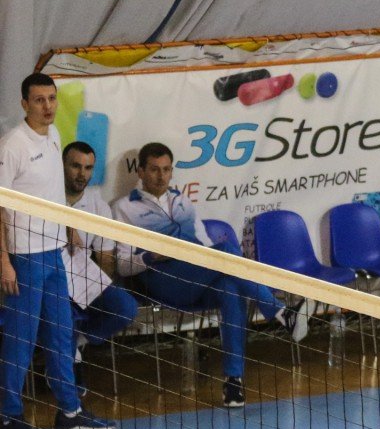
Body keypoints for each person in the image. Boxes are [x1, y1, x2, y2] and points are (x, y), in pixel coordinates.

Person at [113, 142, 309, 408]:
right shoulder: (123, 208)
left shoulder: (183, 201)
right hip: (161, 281)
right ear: (140, 171)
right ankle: (279, 311)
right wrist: (151, 256)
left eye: (167, 170)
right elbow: (122, 266)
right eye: (154, 169)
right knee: (226, 251)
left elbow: (205, 244)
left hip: (196, 273)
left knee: (230, 286)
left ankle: (233, 383)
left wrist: (211, 258)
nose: (161, 176)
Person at [0, 72, 114, 429]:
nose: (47, 106)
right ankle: (8, 417)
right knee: (20, 339)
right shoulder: (12, 146)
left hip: (54, 254)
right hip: (24, 258)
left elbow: (51, 192)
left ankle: (69, 412)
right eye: (39, 100)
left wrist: (67, 226)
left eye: (51, 98)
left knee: (60, 334)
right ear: (24, 104)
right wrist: (4, 261)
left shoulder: (54, 137)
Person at [61, 140, 137, 393]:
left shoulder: (98, 206)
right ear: (62, 165)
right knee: (66, 312)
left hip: (82, 276)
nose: (81, 174)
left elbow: (105, 258)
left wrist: (94, 291)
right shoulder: (47, 197)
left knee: (125, 307)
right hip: (49, 275)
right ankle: (69, 364)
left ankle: (76, 344)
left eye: (88, 168)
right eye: (75, 166)